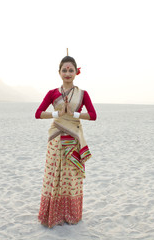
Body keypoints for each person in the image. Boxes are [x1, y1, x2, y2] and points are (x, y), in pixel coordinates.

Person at [35, 55, 97, 228]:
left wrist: (74, 114)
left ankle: (71, 214)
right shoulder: (52, 93)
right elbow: (38, 113)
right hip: (56, 138)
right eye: (64, 70)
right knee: (54, 175)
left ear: (76, 72)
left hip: (73, 138)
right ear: (59, 72)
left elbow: (93, 115)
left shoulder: (83, 94)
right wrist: (58, 114)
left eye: (71, 70)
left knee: (71, 178)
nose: (67, 73)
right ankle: (53, 214)